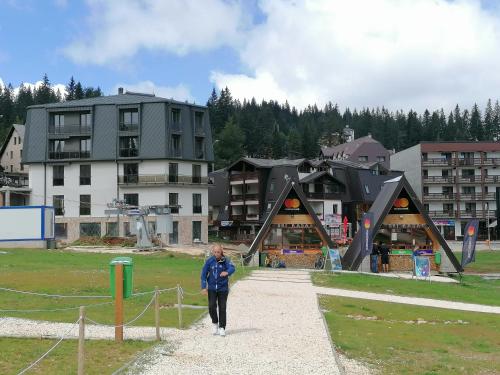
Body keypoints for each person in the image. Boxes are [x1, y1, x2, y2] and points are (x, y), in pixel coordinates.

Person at [201, 244, 235, 337]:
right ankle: (215, 323)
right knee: (211, 306)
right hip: (212, 288)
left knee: (222, 308)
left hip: (223, 288)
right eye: (215, 252)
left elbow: (232, 268)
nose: (217, 254)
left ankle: (222, 328)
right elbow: (203, 274)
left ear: (221, 252)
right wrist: (204, 287)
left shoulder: (226, 260)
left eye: (218, 252)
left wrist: (227, 272)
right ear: (213, 252)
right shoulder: (209, 261)